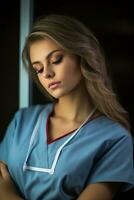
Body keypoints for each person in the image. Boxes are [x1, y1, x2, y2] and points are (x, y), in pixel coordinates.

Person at [0, 14, 134, 200]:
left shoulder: (115, 139)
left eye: (56, 60)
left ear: (82, 56)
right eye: (38, 68)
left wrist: (8, 195)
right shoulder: (22, 121)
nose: (47, 73)